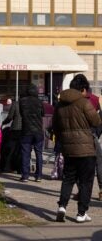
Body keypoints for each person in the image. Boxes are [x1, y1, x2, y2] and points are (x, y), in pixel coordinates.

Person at [53, 74, 101, 223]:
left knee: (68, 179)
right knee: (86, 181)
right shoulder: (84, 103)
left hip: (68, 148)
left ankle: (62, 206)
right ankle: (81, 213)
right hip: (86, 148)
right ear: (83, 89)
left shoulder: (60, 104)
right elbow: (96, 121)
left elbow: (55, 126)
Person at [19, 84, 45, 182]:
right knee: (39, 153)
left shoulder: (22, 101)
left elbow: (22, 114)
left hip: (26, 131)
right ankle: (38, 176)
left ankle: (25, 175)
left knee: (25, 153)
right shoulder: (40, 102)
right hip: (38, 131)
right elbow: (43, 114)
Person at [1, 98, 22, 173]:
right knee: (21, 150)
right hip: (25, 130)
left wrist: (3, 122)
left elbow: (10, 117)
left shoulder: (15, 104)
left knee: (11, 149)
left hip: (15, 129)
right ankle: (20, 168)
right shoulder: (29, 105)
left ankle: (8, 166)